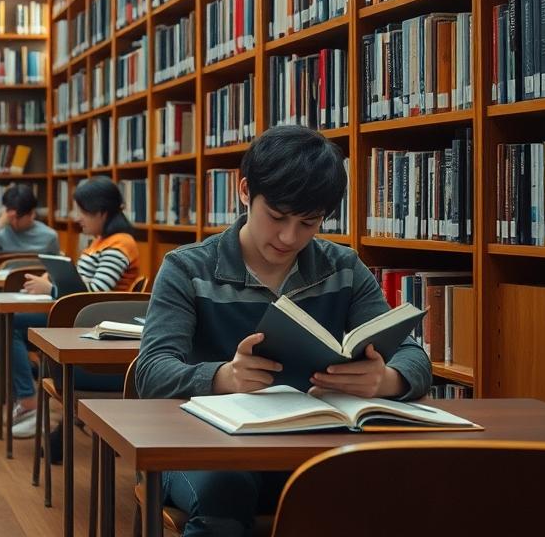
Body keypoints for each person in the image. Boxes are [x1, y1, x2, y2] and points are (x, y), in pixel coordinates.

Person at [135, 125, 431, 537]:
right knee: (227, 489)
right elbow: (150, 372)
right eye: (276, 217)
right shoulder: (187, 268)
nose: (289, 237)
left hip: (313, 441)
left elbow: (414, 356)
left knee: (392, 484)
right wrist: (222, 377)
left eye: (308, 222)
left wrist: (386, 379)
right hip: (206, 446)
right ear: (244, 192)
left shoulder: (343, 267)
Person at [0, 177, 139, 442]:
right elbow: (83, 284)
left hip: (96, 327)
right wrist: (55, 279)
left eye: (82, 211)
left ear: (101, 211)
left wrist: (50, 289)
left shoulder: (120, 243)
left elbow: (96, 293)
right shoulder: (100, 240)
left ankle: (22, 399)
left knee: (7, 324)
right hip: (83, 320)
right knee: (2, 322)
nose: (78, 218)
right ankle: (11, 392)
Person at [0, 183, 61, 263]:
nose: (14, 222)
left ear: (32, 214)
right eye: (10, 217)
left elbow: (56, 270)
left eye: (18, 218)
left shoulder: (49, 237)